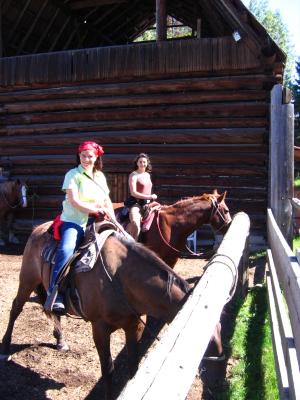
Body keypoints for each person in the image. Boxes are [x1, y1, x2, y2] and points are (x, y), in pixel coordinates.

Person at [45, 141, 115, 314]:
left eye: (90, 156)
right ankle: (55, 293)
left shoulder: (100, 176)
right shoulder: (72, 175)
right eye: (83, 155)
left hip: (97, 221)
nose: (86, 159)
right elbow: (74, 201)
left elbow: (107, 201)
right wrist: (95, 210)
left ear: (96, 157)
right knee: (67, 249)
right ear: (79, 156)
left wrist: (114, 220)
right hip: (74, 221)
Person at [126, 153, 157, 240]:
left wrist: (150, 199)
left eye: (144, 162)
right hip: (136, 203)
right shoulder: (133, 175)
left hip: (148, 204)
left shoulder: (148, 175)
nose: (142, 164)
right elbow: (133, 193)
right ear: (137, 163)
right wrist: (149, 197)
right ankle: (133, 246)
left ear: (147, 163)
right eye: (140, 162)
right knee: (136, 223)